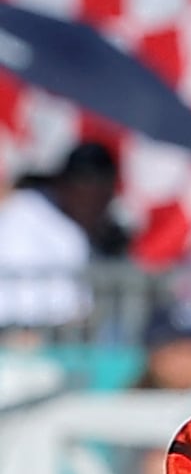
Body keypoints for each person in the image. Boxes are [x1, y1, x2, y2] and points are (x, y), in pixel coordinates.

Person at [0, 132, 121, 331]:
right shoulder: (23, 208)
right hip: (14, 334)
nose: (89, 197)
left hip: (56, 339)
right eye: (82, 184)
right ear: (63, 183)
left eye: (99, 187)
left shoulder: (94, 233)